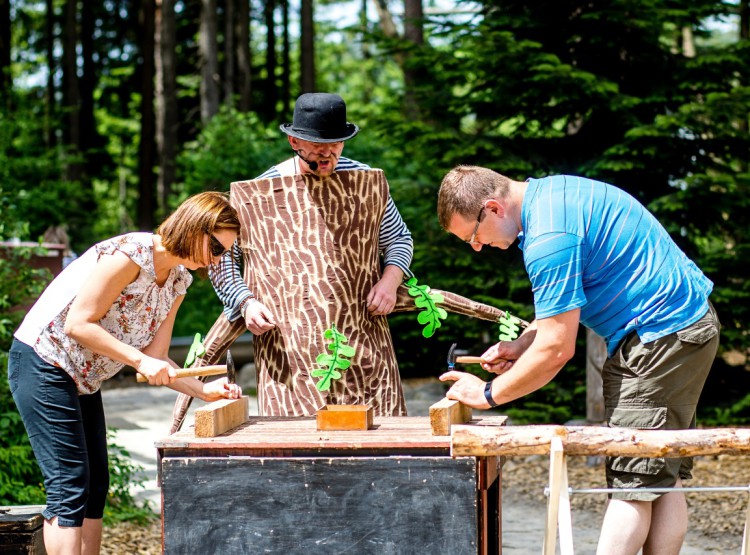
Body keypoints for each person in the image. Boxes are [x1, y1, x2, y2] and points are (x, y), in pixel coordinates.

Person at [436, 166, 719, 555]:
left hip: (660, 339)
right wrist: (521, 346)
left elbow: (556, 350)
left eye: (472, 235)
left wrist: (486, 394)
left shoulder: (548, 237)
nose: (476, 246)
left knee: (632, 484)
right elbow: (558, 315)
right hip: (683, 327)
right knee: (660, 475)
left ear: (492, 208)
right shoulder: (551, 197)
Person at [8, 191, 243, 555]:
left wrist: (206, 392)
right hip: (43, 362)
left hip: (82, 377)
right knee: (69, 485)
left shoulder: (179, 281)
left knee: (96, 486)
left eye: (224, 253)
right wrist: (139, 361)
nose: (217, 259)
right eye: (216, 247)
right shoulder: (130, 253)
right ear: (195, 228)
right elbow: (78, 324)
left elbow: (158, 357)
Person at [210, 92, 413, 335]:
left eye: (335, 143)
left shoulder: (365, 182)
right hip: (286, 338)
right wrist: (246, 303)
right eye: (318, 145)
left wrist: (390, 281)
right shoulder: (261, 192)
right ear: (294, 142)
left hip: (359, 332)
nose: (327, 153)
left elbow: (398, 239)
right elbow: (220, 257)